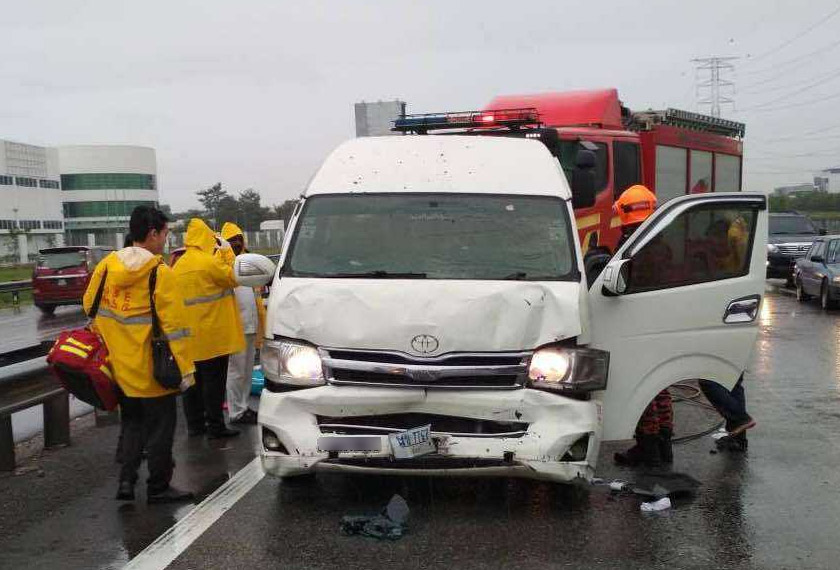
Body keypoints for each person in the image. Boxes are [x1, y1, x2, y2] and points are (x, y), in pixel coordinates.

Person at [83, 206, 195, 503]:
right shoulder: (160, 273)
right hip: (153, 371)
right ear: (152, 233)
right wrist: (185, 371)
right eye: (165, 233)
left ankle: (126, 482)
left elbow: (88, 305)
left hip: (118, 367)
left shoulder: (106, 266)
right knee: (161, 429)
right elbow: (176, 329)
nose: (166, 240)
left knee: (132, 424)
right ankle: (158, 486)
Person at [608, 185, 676, 467]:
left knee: (641, 388)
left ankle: (648, 450)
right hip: (661, 324)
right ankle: (663, 445)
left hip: (638, 328)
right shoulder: (660, 242)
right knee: (659, 386)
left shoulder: (631, 246)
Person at [174, 219, 245, 438]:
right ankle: (216, 426)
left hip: (189, 337)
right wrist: (227, 253)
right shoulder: (209, 262)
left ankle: (195, 426)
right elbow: (234, 278)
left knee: (192, 385)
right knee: (214, 385)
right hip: (213, 335)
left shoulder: (179, 265)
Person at [219, 222, 266, 424]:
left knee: (246, 371)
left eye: (239, 239)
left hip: (251, 325)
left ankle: (243, 407)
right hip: (235, 326)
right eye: (232, 240)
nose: (237, 243)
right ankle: (236, 411)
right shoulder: (222, 265)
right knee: (236, 372)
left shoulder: (248, 263)